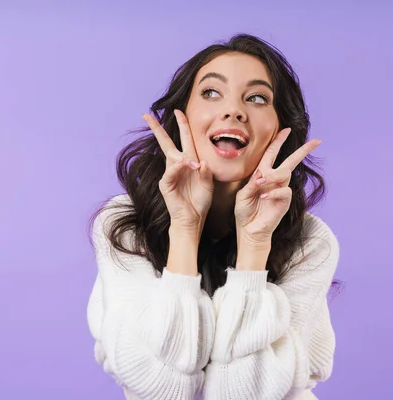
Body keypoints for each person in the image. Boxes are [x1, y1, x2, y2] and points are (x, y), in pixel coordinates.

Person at [86, 33, 340, 400]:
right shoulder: (123, 225)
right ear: (182, 117)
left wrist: (254, 244)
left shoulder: (311, 242)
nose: (234, 110)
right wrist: (185, 228)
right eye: (210, 93)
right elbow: (162, 391)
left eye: (256, 98)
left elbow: (242, 395)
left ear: (280, 131)